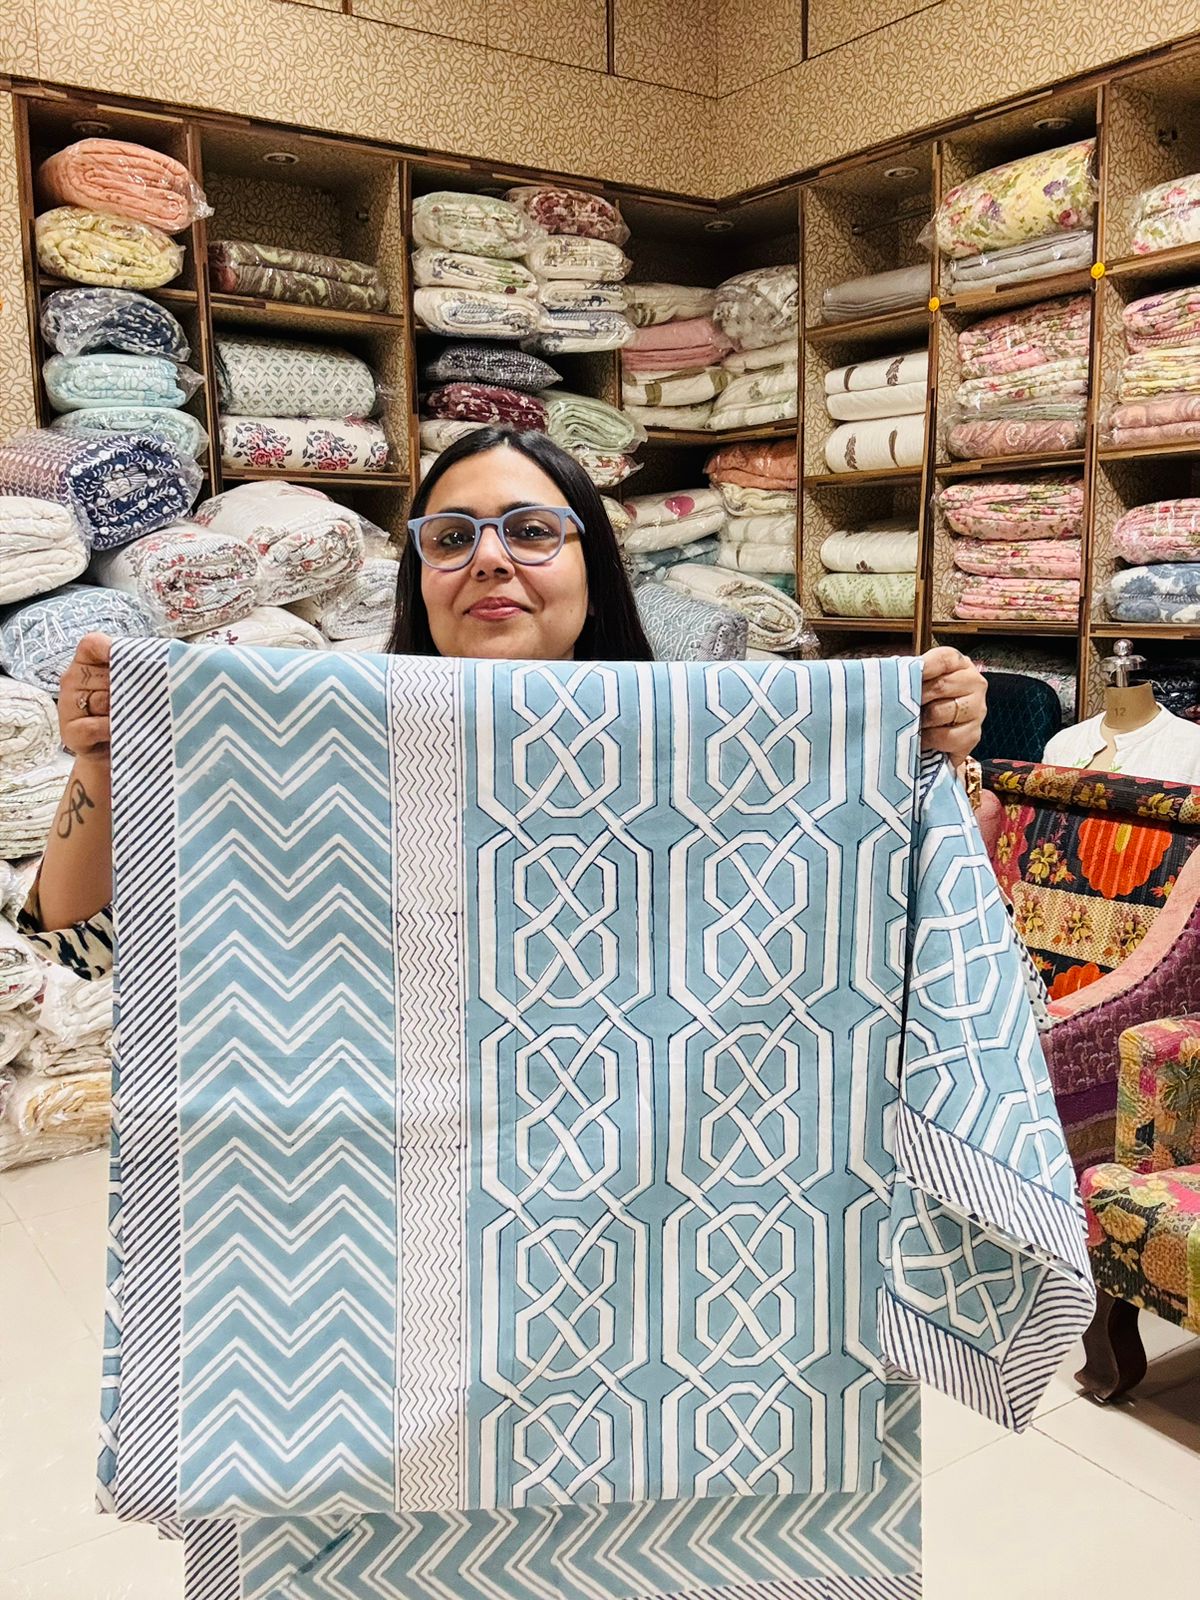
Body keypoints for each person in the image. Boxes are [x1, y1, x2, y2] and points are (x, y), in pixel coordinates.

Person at [28, 428, 986, 949]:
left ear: (592, 569)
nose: (489, 559)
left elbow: (883, 918)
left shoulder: (708, 744)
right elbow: (80, 932)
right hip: (411, 1182)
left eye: (531, 531)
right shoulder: (329, 745)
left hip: (654, 1178)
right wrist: (102, 760)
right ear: (419, 578)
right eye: (451, 538)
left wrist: (928, 753)